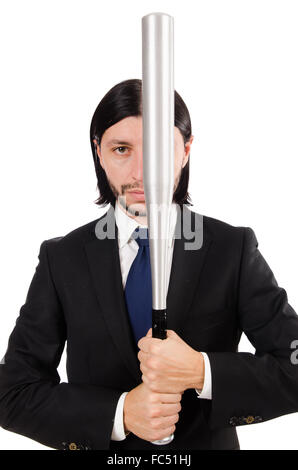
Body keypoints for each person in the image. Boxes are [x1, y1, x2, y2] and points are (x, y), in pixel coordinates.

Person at [1, 79, 298, 451]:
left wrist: (200, 371)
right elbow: (12, 391)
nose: (140, 173)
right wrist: (121, 413)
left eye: (158, 149)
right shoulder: (62, 259)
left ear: (186, 149)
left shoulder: (230, 249)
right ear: (99, 152)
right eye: (121, 149)